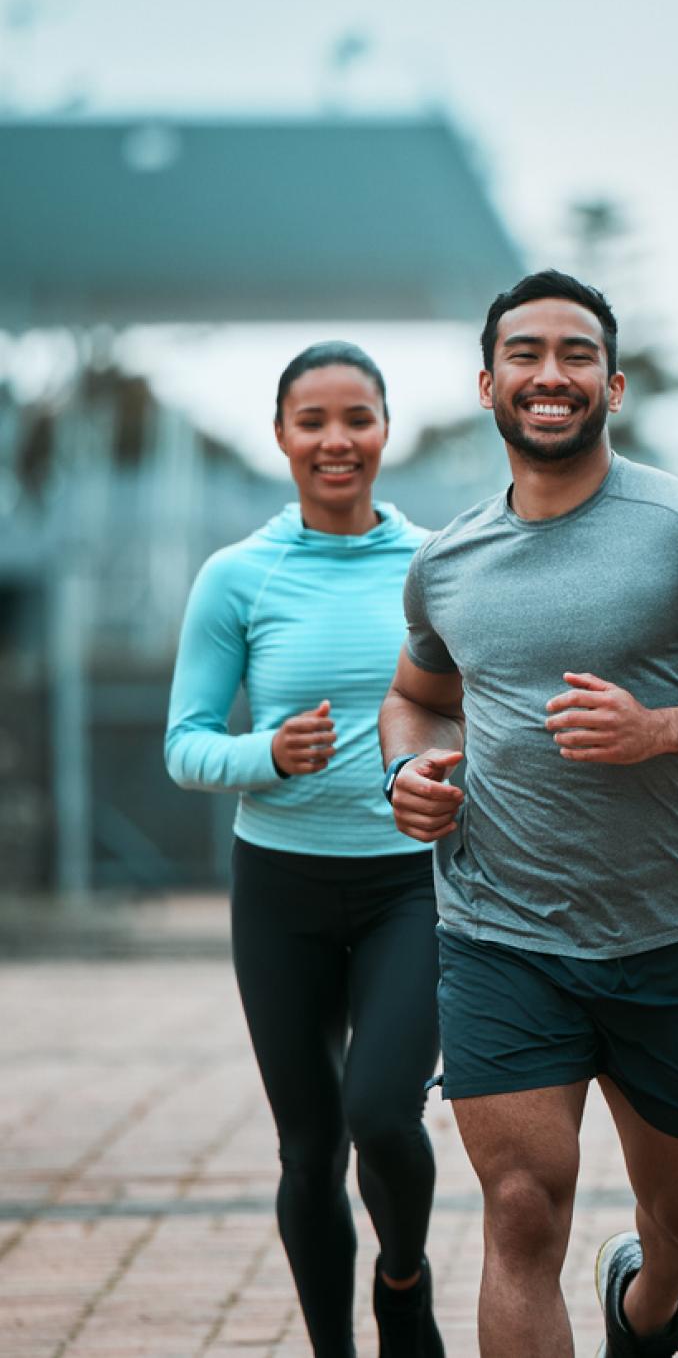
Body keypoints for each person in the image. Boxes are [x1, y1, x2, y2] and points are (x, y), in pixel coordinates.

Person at [378, 270, 678, 1358]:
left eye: (575, 354)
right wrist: (407, 775)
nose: (550, 373)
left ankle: (646, 1303)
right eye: (524, 353)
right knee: (521, 1207)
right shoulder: (444, 562)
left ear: (612, 385)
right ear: (488, 383)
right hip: (497, 936)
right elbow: (416, 698)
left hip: (660, 935)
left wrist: (661, 730)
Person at [165, 343, 445, 1356]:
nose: (337, 440)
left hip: (408, 887)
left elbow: (477, 712)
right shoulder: (237, 576)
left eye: (357, 418)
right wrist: (268, 754)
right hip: (278, 889)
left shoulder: (435, 563)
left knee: (381, 1111)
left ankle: (402, 1284)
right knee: (309, 1144)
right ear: (281, 435)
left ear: (385, 428)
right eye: (313, 420)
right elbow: (184, 744)